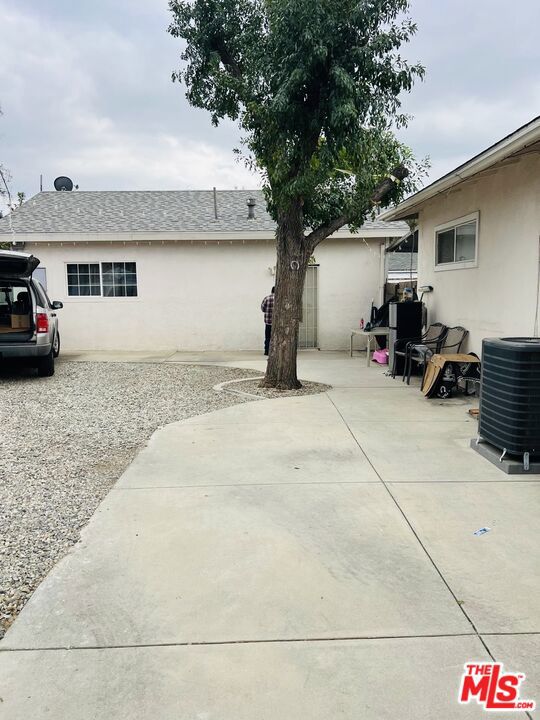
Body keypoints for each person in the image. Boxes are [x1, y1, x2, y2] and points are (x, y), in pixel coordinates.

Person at [261, 286, 275, 356]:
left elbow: (263, 309)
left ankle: (267, 351)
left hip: (268, 322)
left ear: (271, 291)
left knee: (268, 337)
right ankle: (275, 352)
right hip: (277, 323)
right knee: (276, 337)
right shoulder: (280, 300)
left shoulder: (267, 298)